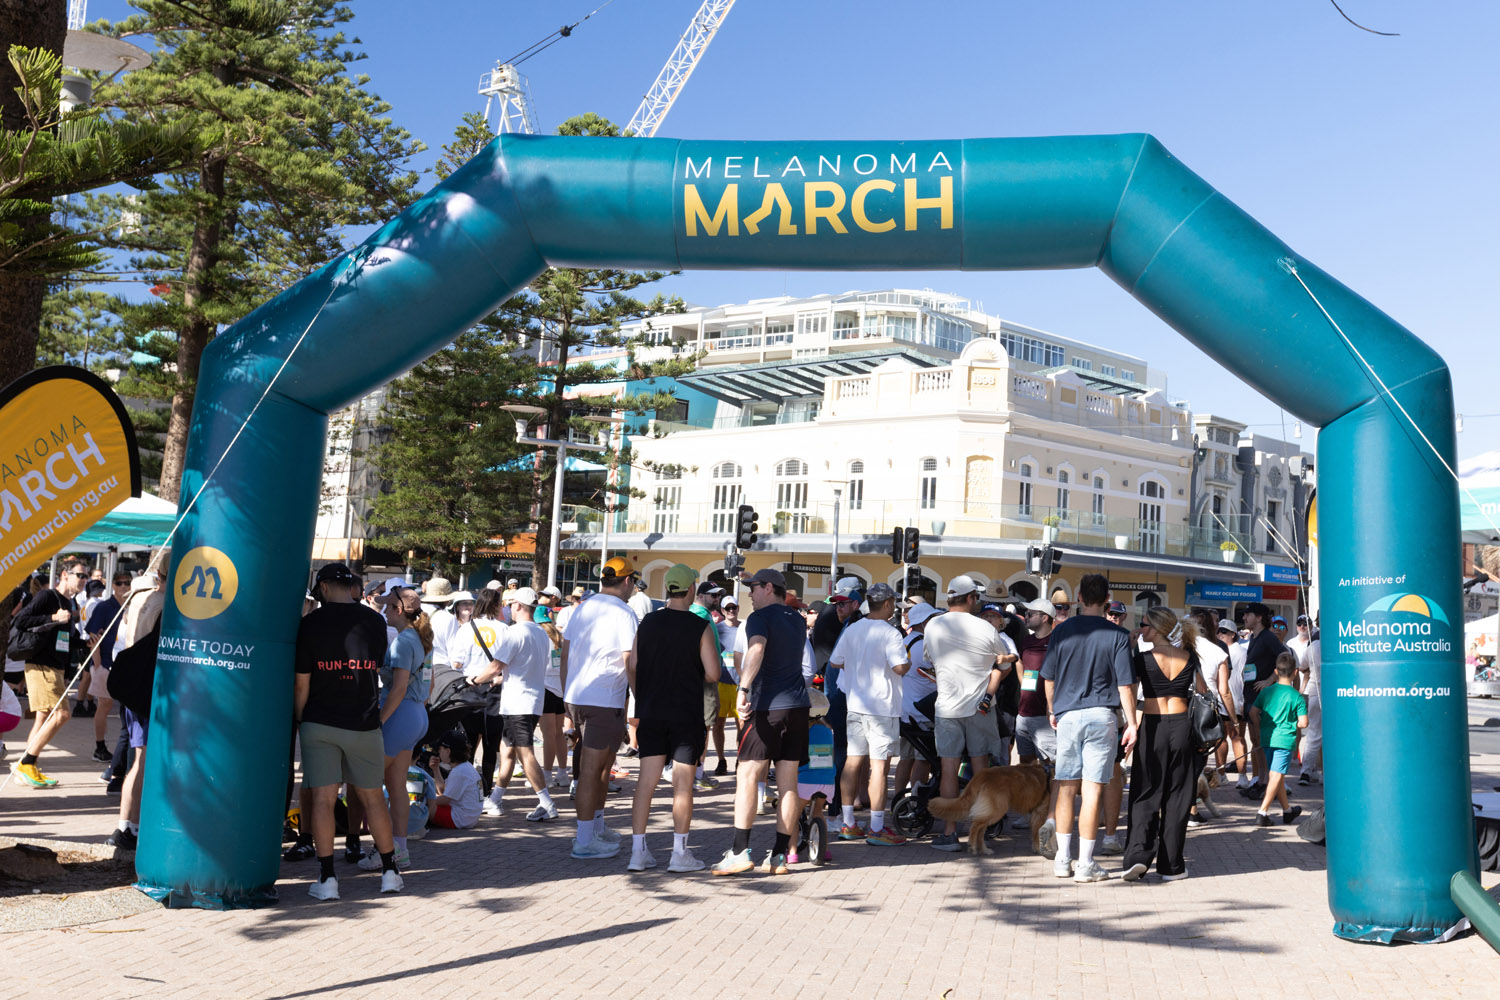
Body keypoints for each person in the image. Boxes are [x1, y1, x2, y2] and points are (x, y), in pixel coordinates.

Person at [294, 562, 403, 900]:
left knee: (323, 800)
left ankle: (327, 879)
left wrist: (302, 719)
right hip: (363, 721)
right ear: (353, 588)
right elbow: (376, 666)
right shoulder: (375, 621)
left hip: (320, 721)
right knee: (373, 798)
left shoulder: (310, 624)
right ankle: (390, 872)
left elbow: (302, 683)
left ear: (324, 588)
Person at [713, 568, 811, 876]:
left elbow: (756, 648)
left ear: (769, 588)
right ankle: (779, 856)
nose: (750, 594)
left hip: (768, 707)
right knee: (788, 782)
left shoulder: (759, 617)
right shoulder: (797, 618)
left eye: (753, 588)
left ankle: (739, 852)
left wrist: (743, 689)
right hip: (798, 707)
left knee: (747, 775)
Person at [1040, 573, 1137, 883]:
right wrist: (1132, 722)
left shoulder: (1061, 631)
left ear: (1079, 597)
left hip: (1068, 714)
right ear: (1107, 599)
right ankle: (1085, 863)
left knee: (1066, 787)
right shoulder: (1118, 635)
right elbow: (1125, 685)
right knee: (1093, 789)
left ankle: (1062, 859)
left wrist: (1052, 709)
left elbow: (1048, 677)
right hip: (1102, 715)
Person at [626, 564, 721, 872]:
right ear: (691, 589)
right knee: (682, 785)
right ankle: (679, 853)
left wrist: (640, 694)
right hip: (685, 713)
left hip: (652, 710)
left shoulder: (648, 622)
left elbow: (633, 664)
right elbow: (713, 673)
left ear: (668, 588)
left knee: (646, 783)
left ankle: (638, 852)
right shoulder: (699, 626)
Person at [922, 574, 1015, 852]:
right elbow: (1004, 667)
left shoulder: (933, 625)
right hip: (980, 709)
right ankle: (980, 830)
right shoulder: (985, 628)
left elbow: (929, 660)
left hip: (947, 707)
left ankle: (950, 833)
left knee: (948, 770)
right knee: (981, 770)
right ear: (972, 598)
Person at [1120, 608, 1208, 882]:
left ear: (1158, 628)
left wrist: (1130, 724)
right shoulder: (1189, 657)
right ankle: (1172, 866)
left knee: (1145, 790)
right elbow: (1203, 692)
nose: (1140, 629)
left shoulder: (1143, 658)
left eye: (1144, 624)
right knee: (1178, 795)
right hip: (1182, 727)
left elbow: (1128, 690)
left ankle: (1137, 856)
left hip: (1153, 726)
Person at [562, 557, 640, 860]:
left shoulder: (582, 607)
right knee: (592, 770)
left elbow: (566, 652)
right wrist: (639, 698)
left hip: (580, 697)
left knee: (603, 767)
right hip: (603, 699)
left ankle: (595, 827)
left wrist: (567, 695)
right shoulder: (624, 612)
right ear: (627, 581)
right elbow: (630, 662)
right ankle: (584, 840)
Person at [350, 587, 432, 873]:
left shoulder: (403, 642)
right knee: (396, 786)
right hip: (415, 715)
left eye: (387, 606)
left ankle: (385, 850)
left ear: (398, 610)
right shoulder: (418, 638)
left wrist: (380, 720)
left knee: (367, 785)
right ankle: (400, 850)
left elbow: (397, 689)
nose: (383, 610)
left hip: (401, 715)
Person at [827, 582, 910, 845]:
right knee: (879, 768)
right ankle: (876, 827)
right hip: (882, 708)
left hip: (856, 705)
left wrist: (858, 663)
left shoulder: (853, 629)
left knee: (852, 763)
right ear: (886, 604)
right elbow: (900, 668)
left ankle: (848, 823)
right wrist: (907, 660)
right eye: (893, 604)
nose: (894, 608)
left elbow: (835, 662)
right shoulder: (890, 632)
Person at [469, 588, 559, 822]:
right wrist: (501, 679)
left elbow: (495, 665)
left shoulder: (515, 632)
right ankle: (495, 798)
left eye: (510, 604)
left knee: (524, 753)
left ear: (518, 606)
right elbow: (523, 667)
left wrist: (475, 680)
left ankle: (546, 802)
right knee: (507, 751)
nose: (508, 608)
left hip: (518, 702)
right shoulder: (541, 633)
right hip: (530, 700)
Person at [10, 563, 88, 787]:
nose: (83, 579)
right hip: (41, 665)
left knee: (43, 718)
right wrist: (53, 617)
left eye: (85, 576)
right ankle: (26, 762)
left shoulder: (68, 603)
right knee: (62, 715)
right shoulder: (47, 596)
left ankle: (29, 768)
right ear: (64, 575)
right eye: (79, 575)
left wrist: (85, 643)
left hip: (56, 667)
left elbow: (63, 639)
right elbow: (20, 621)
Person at [1251, 652, 1308, 827]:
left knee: (1277, 775)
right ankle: (1262, 812)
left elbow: (1253, 712)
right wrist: (1293, 723)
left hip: (1267, 738)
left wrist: (1259, 728)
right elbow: (1304, 723)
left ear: (1276, 671)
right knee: (1276, 775)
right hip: (1284, 740)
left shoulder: (1266, 692)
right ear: (1295, 672)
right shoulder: (1296, 696)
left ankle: (1287, 811)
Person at [893, 601, 941, 800]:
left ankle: (898, 798)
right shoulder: (924, 645)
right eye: (932, 619)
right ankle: (916, 801)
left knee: (906, 758)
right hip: (922, 712)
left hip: (904, 710)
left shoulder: (904, 642)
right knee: (924, 759)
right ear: (924, 622)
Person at [1238, 602, 1286, 799]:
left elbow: (1285, 657)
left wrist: (1270, 680)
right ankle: (1260, 781)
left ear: (1259, 618)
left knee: (1264, 741)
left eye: (1247, 614)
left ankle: (1269, 785)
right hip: (1251, 695)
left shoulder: (1268, 637)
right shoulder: (1254, 637)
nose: (1244, 618)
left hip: (1264, 698)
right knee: (1256, 740)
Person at [85, 572, 132, 767]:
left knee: (125, 708)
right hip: (105, 663)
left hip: (125, 664)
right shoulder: (104, 607)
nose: (123, 586)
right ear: (113, 585)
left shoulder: (132, 606)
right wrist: (97, 666)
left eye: (127, 583)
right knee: (104, 705)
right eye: (119, 583)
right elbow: (92, 637)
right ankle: (100, 747)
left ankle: (125, 748)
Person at [689, 580, 726, 791]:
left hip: (703, 678)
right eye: (713, 595)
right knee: (704, 726)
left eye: (719, 595)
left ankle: (695, 772)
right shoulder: (700, 616)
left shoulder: (703, 614)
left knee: (703, 726)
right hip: (705, 680)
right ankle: (697, 774)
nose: (717, 599)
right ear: (701, 595)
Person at [711, 597, 741, 776]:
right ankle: (721, 760)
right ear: (722, 610)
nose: (731, 611)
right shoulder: (716, 629)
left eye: (734, 607)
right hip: (721, 682)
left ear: (738, 608)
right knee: (718, 723)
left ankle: (740, 759)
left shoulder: (744, 628)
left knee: (741, 724)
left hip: (739, 684)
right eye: (727, 608)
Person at [429, 729, 484, 829]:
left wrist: (424, 801)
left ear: (448, 751)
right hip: (468, 817)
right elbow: (443, 791)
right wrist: (436, 770)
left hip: (459, 818)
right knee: (432, 799)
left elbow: (445, 800)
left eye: (440, 749)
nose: (438, 753)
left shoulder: (459, 772)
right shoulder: (466, 767)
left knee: (422, 806)